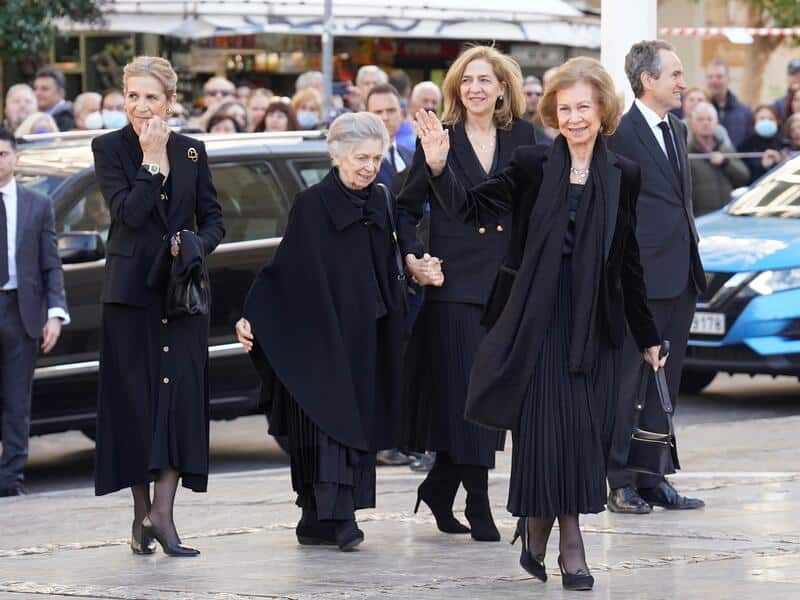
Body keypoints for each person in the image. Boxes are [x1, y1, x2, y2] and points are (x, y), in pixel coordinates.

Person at [415, 55, 663, 592]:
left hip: (590, 323)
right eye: (565, 108)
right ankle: (569, 545)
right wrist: (438, 168)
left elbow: (627, 260)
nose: (575, 118)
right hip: (533, 321)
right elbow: (470, 209)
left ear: (603, 112)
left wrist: (647, 335)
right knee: (547, 435)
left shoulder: (625, 174)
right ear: (553, 112)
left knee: (577, 434)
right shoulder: (531, 165)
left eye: (584, 108)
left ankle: (535, 533)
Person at [234, 112, 443, 551]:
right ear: (337, 155)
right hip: (321, 336)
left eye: (375, 158)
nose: (368, 167)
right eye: (359, 158)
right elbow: (284, 270)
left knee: (357, 424)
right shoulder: (312, 205)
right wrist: (252, 314)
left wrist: (414, 264)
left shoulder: (381, 199)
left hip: (366, 334)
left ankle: (318, 522)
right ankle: (334, 518)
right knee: (327, 425)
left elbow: (391, 256)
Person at [396, 45, 536, 543]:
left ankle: (438, 486)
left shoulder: (524, 136)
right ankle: (478, 501)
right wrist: (414, 259)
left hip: (507, 287)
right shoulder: (440, 138)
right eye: (467, 80)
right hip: (453, 288)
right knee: (467, 395)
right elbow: (404, 210)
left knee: (494, 392)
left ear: (502, 88)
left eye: (485, 79)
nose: (475, 87)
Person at [92, 56, 224, 557]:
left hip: (182, 296)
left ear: (170, 101)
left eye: (151, 97)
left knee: (179, 403)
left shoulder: (192, 152)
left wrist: (192, 244)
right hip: (130, 299)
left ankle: (163, 516)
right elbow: (128, 214)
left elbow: (214, 220)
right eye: (132, 96)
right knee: (138, 406)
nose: (141, 106)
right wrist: (149, 163)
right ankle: (140, 513)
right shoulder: (109, 148)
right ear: (123, 97)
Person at [607, 39, 707, 514]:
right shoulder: (619, 135)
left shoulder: (679, 130)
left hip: (681, 277)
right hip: (639, 283)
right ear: (648, 80)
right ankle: (620, 478)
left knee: (665, 384)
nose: (683, 83)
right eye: (675, 74)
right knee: (629, 382)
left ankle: (654, 475)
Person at [0, 129, 70, 497]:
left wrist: (55, 313)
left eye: (2, 154)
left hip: (20, 310)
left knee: (16, 400)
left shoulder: (36, 204)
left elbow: (50, 263)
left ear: (15, 158)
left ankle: (10, 478)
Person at [687, 102, 749, 216]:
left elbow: (744, 177)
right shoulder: (686, 153)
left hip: (724, 215)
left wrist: (725, 163)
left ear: (716, 123)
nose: (705, 123)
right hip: (698, 217)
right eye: (700, 119)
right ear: (692, 124)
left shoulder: (726, 150)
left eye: (709, 119)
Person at [366, 83, 414, 192]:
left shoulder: (412, 156)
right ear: (367, 117)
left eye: (391, 110)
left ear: (401, 114)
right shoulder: (359, 161)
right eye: (378, 112)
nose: (385, 117)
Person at [705, 59, 752, 150]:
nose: (714, 81)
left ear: (728, 79)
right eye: (710, 77)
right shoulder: (700, 112)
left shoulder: (745, 113)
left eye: (719, 77)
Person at [738, 104, 787, 183]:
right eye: (762, 119)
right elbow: (742, 175)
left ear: (777, 122)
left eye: (771, 119)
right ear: (754, 122)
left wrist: (781, 163)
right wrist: (762, 166)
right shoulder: (745, 145)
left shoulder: (784, 143)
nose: (766, 121)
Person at [396, 81, 442, 152]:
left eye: (434, 102)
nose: (429, 106)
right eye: (425, 101)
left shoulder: (442, 131)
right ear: (412, 101)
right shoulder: (397, 125)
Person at [522, 75, 552, 145]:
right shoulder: (513, 120)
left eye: (538, 94)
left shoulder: (549, 121)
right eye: (529, 94)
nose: (534, 97)